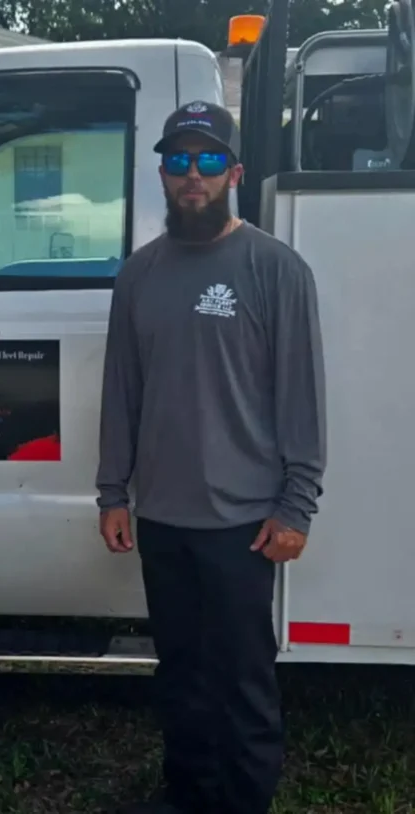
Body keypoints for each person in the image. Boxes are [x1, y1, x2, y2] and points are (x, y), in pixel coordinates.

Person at [95, 101, 327, 814]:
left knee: (242, 679)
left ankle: (243, 800)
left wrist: (296, 505)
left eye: (205, 162)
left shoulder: (276, 268)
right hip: (163, 516)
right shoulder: (139, 275)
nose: (190, 177)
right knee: (183, 673)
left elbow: (303, 396)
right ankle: (188, 795)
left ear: (233, 172)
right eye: (177, 162)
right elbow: (121, 389)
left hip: (243, 522)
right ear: (161, 174)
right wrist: (112, 491)